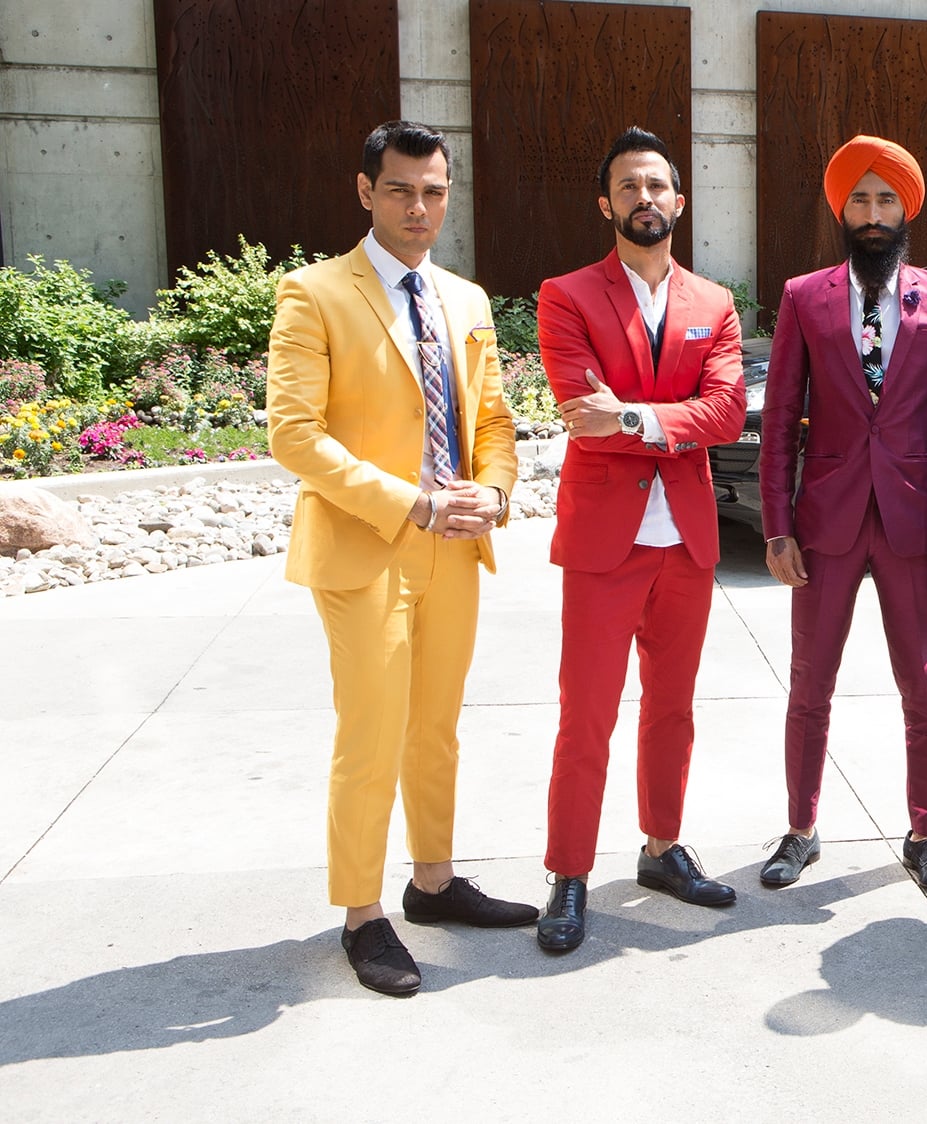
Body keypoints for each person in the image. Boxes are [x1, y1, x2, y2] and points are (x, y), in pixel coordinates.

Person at [266, 120, 533, 996]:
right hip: (365, 545)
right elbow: (294, 435)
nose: (420, 208)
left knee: (435, 730)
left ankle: (434, 882)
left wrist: (494, 493)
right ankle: (361, 914)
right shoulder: (314, 293)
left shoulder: (467, 298)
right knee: (371, 735)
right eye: (400, 190)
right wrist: (410, 501)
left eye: (434, 191)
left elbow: (491, 420)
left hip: (455, 546)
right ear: (365, 191)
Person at [531, 127, 748, 953]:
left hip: (685, 542)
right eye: (628, 186)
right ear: (606, 204)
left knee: (672, 709)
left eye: (656, 185)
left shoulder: (713, 303)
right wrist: (668, 421)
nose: (644, 198)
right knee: (586, 715)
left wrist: (628, 415)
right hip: (604, 544)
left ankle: (661, 848)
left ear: (679, 200)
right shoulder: (567, 296)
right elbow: (575, 411)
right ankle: (569, 873)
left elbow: (727, 414)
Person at [757, 135, 927, 895]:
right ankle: (800, 828)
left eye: (887, 199)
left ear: (906, 209)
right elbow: (781, 417)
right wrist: (777, 526)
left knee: (924, 687)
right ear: (842, 210)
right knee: (809, 685)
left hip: (915, 527)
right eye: (860, 199)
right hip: (825, 523)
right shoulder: (803, 297)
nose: (874, 213)